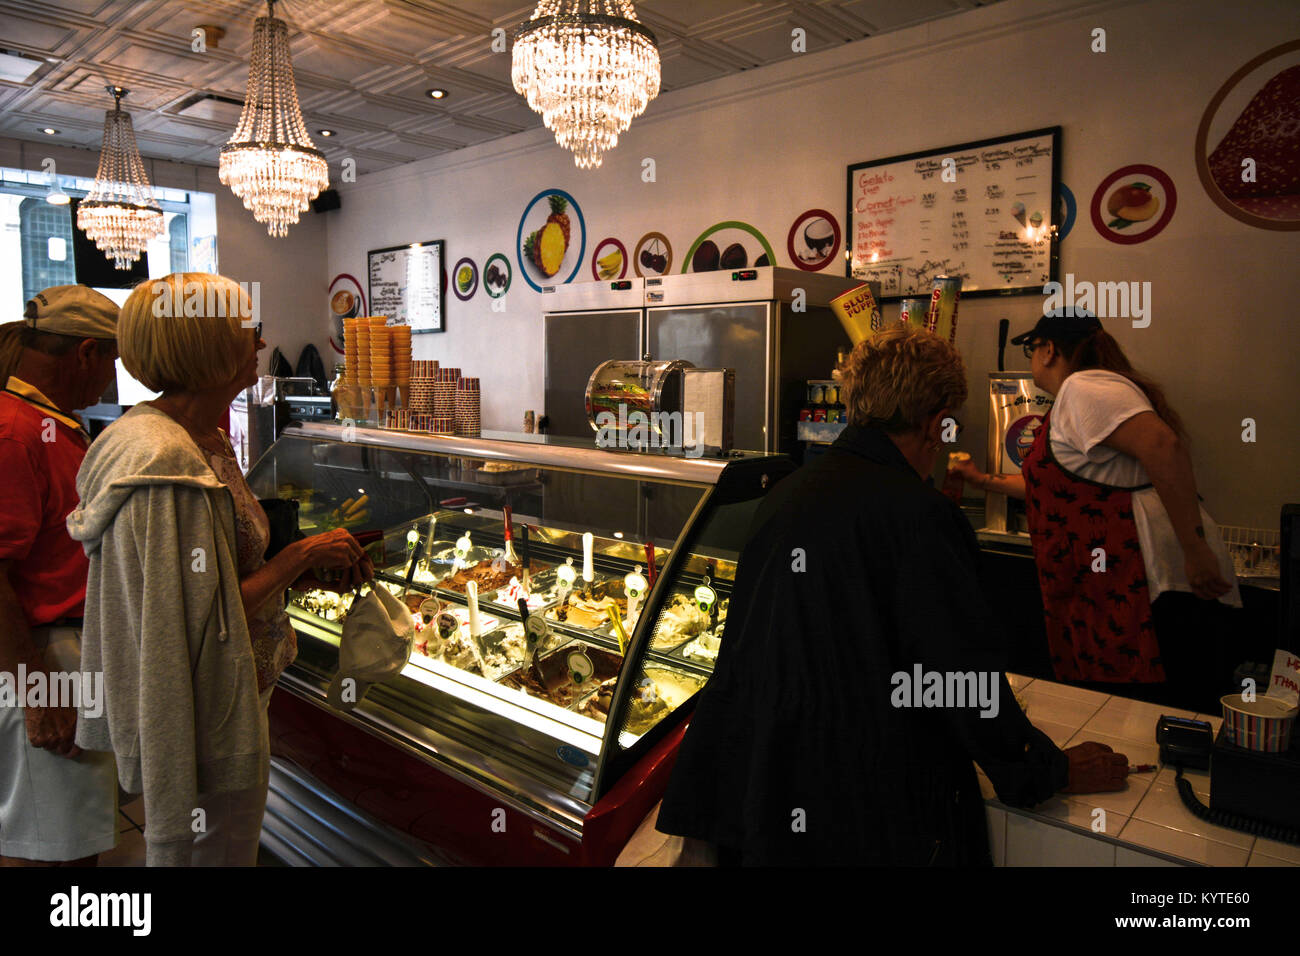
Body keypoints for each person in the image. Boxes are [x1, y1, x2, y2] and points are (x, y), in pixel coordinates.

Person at [656, 326, 1128, 866]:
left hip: (765, 796)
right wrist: (1044, 769)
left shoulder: (786, 493)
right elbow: (956, 678)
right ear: (933, 423)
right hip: (864, 812)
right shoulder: (920, 515)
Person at [68, 272, 373, 866]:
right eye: (245, 330)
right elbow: (191, 618)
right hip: (209, 703)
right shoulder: (165, 463)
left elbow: (219, 570)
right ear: (205, 347)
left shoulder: (204, 436)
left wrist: (298, 572)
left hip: (243, 686)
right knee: (219, 850)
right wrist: (300, 556)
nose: (260, 342)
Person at [950, 310, 1240, 711]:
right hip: (1113, 583)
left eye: (1032, 349)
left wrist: (1195, 549)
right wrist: (980, 480)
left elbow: (1163, 447)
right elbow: (1060, 487)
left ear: (1049, 350)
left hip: (1146, 587)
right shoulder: (1078, 396)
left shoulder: (1083, 388)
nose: (1032, 360)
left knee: (1152, 711)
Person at [0, 286, 120, 866]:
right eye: (113, 361)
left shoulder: (45, 423)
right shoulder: (15, 432)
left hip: (65, 652)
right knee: (54, 849)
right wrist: (37, 693)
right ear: (86, 353)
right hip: (46, 655)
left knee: (72, 840)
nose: (112, 379)